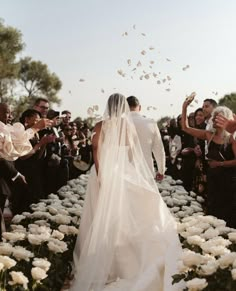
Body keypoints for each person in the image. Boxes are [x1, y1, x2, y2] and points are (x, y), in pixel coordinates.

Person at [70, 93, 183, 291]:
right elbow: (133, 153)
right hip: (122, 171)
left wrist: (100, 174)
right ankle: (122, 255)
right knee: (122, 215)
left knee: (99, 214)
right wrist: (133, 173)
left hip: (104, 170)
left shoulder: (99, 125)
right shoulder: (127, 126)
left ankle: (100, 256)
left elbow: (96, 152)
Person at [182, 98, 236, 227]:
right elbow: (185, 128)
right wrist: (184, 107)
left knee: (228, 214)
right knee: (213, 211)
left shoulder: (231, 139)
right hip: (213, 180)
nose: (214, 120)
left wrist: (220, 164)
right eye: (214, 117)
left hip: (228, 181)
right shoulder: (208, 135)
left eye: (219, 117)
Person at [126, 96, 165, 180]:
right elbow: (159, 150)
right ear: (139, 107)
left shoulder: (120, 124)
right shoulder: (151, 123)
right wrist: (161, 171)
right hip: (146, 170)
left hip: (124, 171)